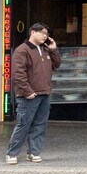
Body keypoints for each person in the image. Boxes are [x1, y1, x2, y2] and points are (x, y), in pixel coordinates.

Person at [7, 23, 60, 165]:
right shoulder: (22, 50)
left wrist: (54, 50)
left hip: (44, 93)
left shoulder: (45, 49)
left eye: (46, 33)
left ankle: (34, 152)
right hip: (29, 95)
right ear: (32, 32)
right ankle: (12, 153)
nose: (45, 36)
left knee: (40, 124)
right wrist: (27, 91)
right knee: (24, 124)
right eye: (42, 33)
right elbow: (18, 74)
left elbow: (57, 64)